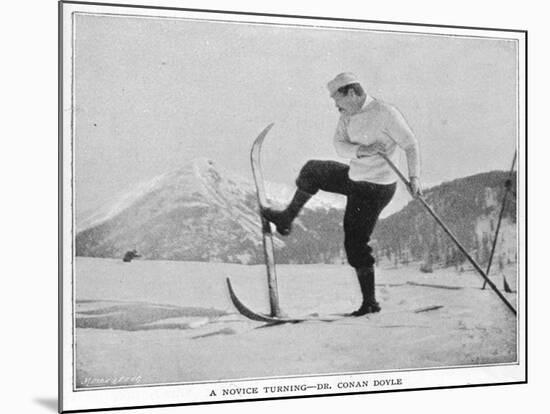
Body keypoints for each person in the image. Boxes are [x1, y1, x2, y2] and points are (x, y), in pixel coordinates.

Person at [262, 72, 422, 316]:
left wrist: (414, 178)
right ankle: (286, 219)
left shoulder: (385, 112)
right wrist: (363, 150)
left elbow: (410, 144)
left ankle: (370, 303)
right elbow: (339, 146)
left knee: (355, 242)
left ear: (351, 92)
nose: (335, 105)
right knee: (313, 170)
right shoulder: (347, 115)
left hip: (376, 188)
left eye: (337, 98)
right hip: (355, 178)